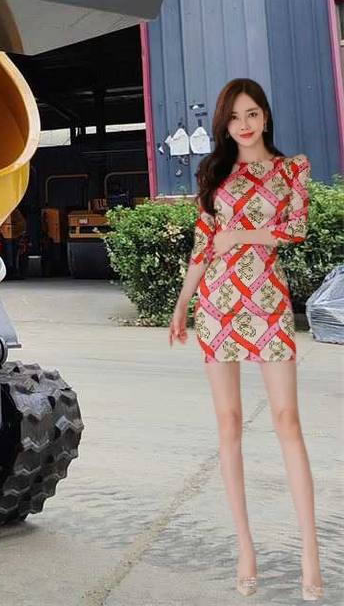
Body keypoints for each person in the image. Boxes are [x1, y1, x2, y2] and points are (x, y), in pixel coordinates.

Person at [169, 78, 323, 601]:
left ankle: (309, 551)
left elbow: (296, 228)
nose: (244, 124)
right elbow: (202, 245)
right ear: (224, 124)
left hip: (268, 302)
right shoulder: (214, 174)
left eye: (252, 113)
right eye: (234, 117)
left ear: (265, 116)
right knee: (229, 423)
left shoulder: (290, 169)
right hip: (218, 304)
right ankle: (245, 548)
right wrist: (183, 303)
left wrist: (243, 234)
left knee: (287, 420)